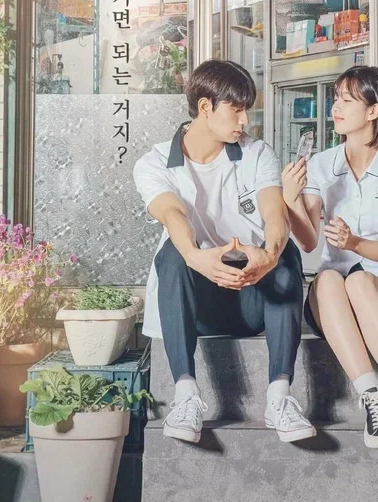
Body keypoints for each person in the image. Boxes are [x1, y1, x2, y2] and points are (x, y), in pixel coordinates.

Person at [133, 60, 316, 444]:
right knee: (173, 253)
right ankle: (186, 395)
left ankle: (279, 397)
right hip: (197, 307)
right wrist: (198, 258)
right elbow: (172, 214)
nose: (245, 120)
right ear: (205, 107)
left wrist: (267, 255)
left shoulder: (256, 153)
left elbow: (275, 213)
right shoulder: (154, 163)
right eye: (236, 109)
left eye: (247, 110)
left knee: (286, 254)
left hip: (254, 298)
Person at [282, 65, 378, 452]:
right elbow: (308, 241)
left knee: (361, 280)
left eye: (346, 100)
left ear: (374, 110)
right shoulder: (321, 165)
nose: (335, 107)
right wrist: (291, 199)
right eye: (335, 99)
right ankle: (374, 399)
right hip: (333, 302)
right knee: (330, 278)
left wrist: (355, 243)